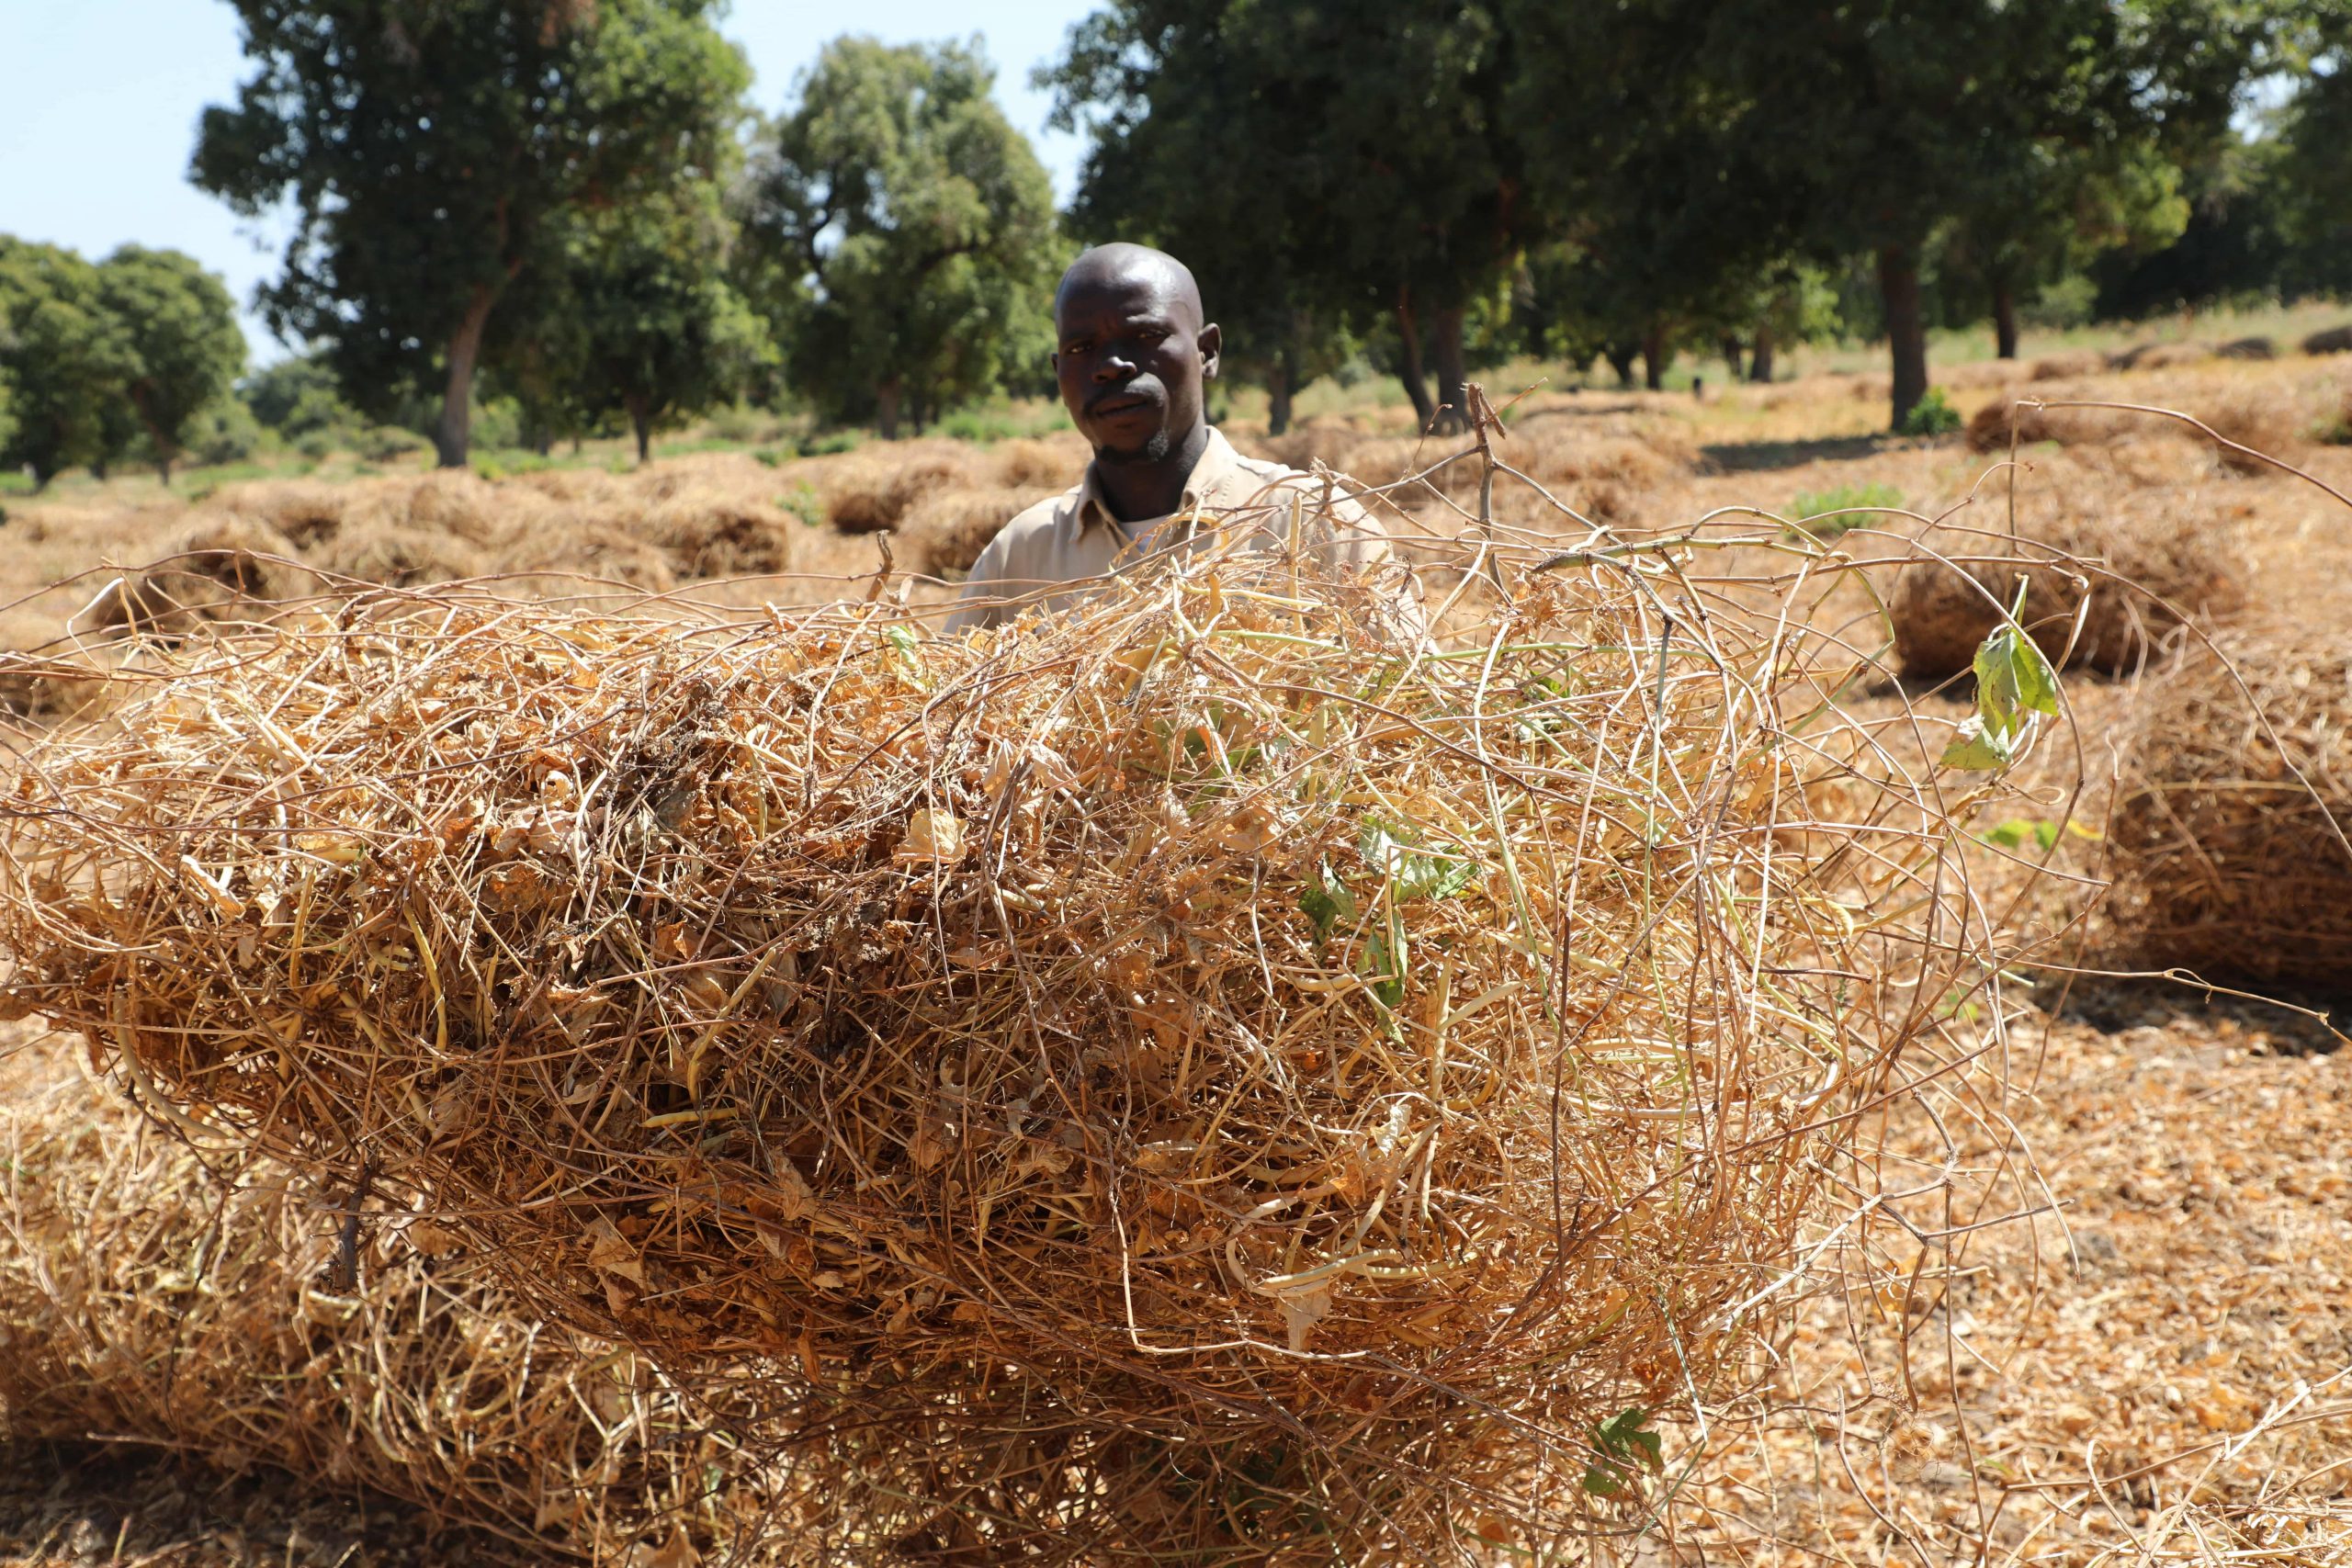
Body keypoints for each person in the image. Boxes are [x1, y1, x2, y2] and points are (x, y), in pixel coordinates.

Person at [944, 243, 1412, 633]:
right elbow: (942, 731)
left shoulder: (1314, 523)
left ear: (1206, 353)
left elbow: (1413, 712)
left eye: (1145, 336)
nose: (1110, 366)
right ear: (1058, 372)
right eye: (1082, 349)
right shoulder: (1019, 556)